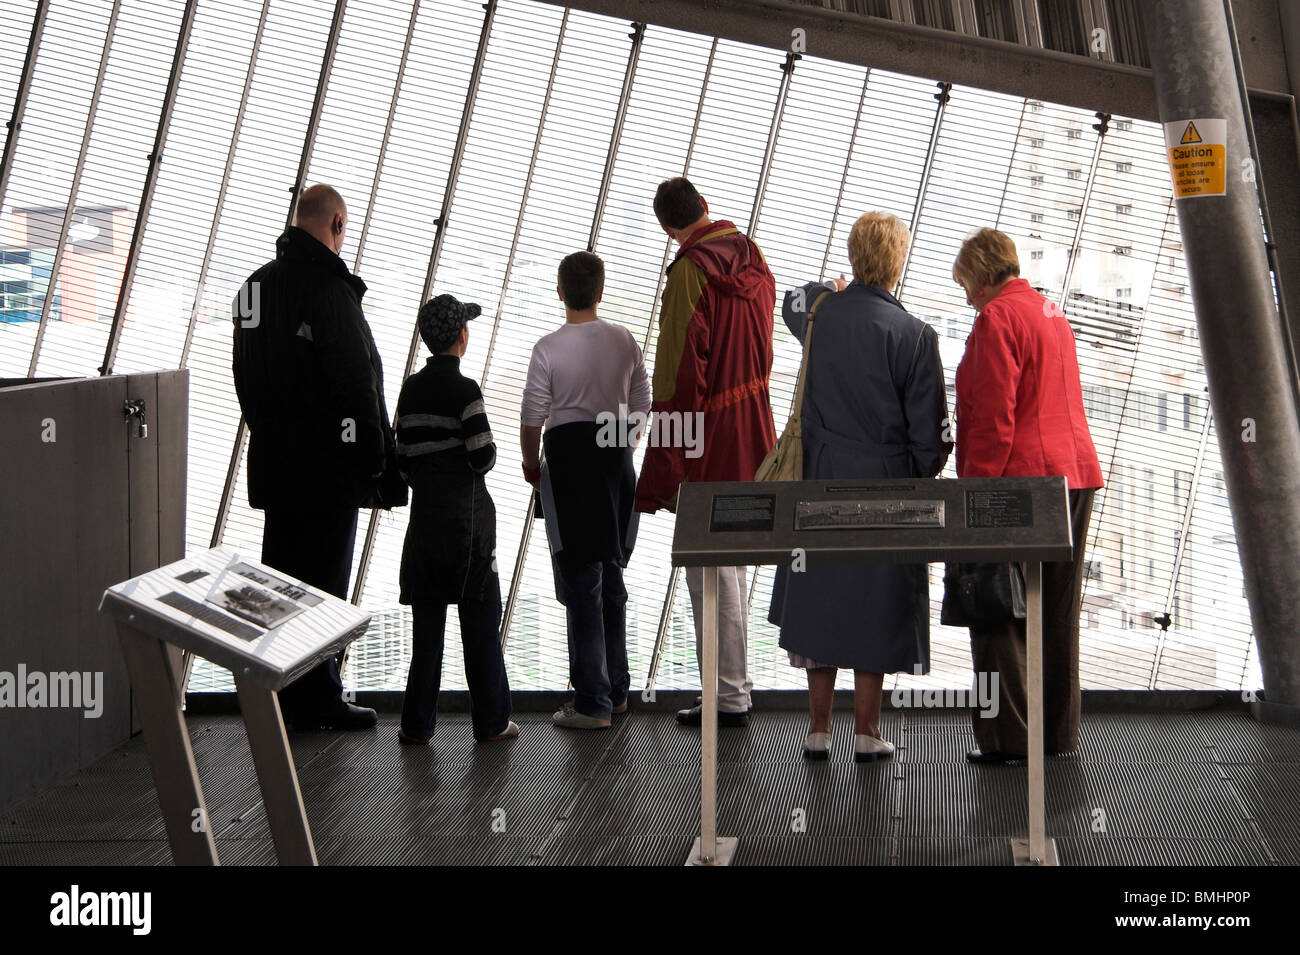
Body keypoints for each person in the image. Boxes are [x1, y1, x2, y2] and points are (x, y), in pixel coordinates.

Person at [768, 212, 951, 762]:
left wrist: (831, 288)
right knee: (876, 603)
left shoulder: (821, 317)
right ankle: (867, 731)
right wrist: (918, 471)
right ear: (898, 262)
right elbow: (931, 436)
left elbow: (791, 301)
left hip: (819, 477)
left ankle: (818, 729)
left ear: (852, 256)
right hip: (886, 486)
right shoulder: (916, 336)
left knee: (821, 598)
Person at [232, 183, 393, 731]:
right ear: (338, 223)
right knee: (324, 584)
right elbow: (354, 378)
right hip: (328, 471)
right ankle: (320, 697)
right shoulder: (330, 289)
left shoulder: (254, 288)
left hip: (279, 466)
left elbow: (244, 374)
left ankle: (282, 695)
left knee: (282, 581)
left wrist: (271, 432)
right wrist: (370, 454)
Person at [952, 227, 1103, 763]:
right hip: (1074, 477)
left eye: (966, 285)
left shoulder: (996, 318)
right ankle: (1057, 737)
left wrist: (975, 497)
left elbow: (995, 418)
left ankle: (1008, 739)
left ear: (983, 274)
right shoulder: (1049, 312)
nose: (967, 297)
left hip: (1018, 482)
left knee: (997, 614)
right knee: (1055, 612)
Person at [635, 177, 776, 729]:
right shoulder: (753, 256)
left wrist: (666, 464)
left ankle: (726, 694)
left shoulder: (690, 272)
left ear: (670, 230)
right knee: (731, 567)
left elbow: (676, 377)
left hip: (708, 438)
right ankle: (733, 688)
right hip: (752, 427)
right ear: (706, 207)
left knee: (705, 570)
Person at [521, 252, 650, 729]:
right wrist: (625, 444)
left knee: (580, 580)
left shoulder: (547, 347)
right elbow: (642, 401)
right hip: (613, 456)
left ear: (560, 292)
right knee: (611, 572)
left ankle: (592, 702)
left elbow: (534, 413)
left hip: (568, 459)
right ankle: (617, 690)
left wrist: (531, 464)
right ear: (599, 292)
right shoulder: (622, 339)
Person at [394, 294, 516, 745]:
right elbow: (482, 457)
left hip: (424, 526)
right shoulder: (466, 391)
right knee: (480, 626)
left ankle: (416, 725)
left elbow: (403, 458)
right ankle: (491, 722)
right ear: (461, 337)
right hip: (467, 528)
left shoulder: (410, 390)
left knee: (427, 634)